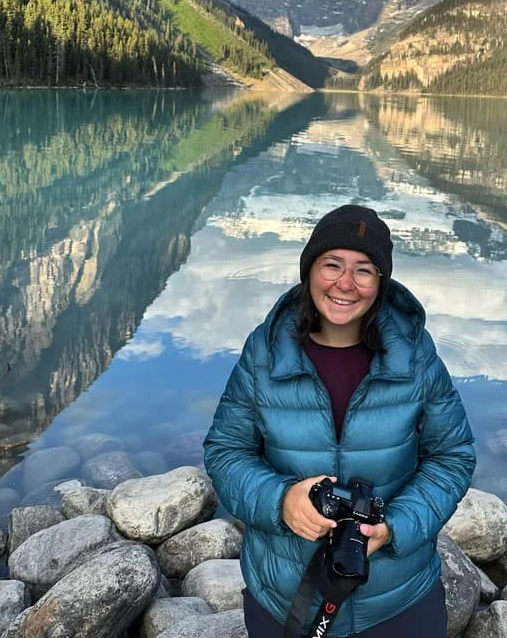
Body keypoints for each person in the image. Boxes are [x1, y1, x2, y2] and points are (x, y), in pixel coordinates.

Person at [203, 204, 476, 638]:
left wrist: (395, 527)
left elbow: (452, 456)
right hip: (285, 599)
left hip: (397, 600)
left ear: (381, 282)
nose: (345, 283)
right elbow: (226, 451)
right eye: (332, 264)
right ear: (309, 269)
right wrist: (280, 500)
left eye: (363, 270)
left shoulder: (415, 356)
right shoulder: (265, 352)